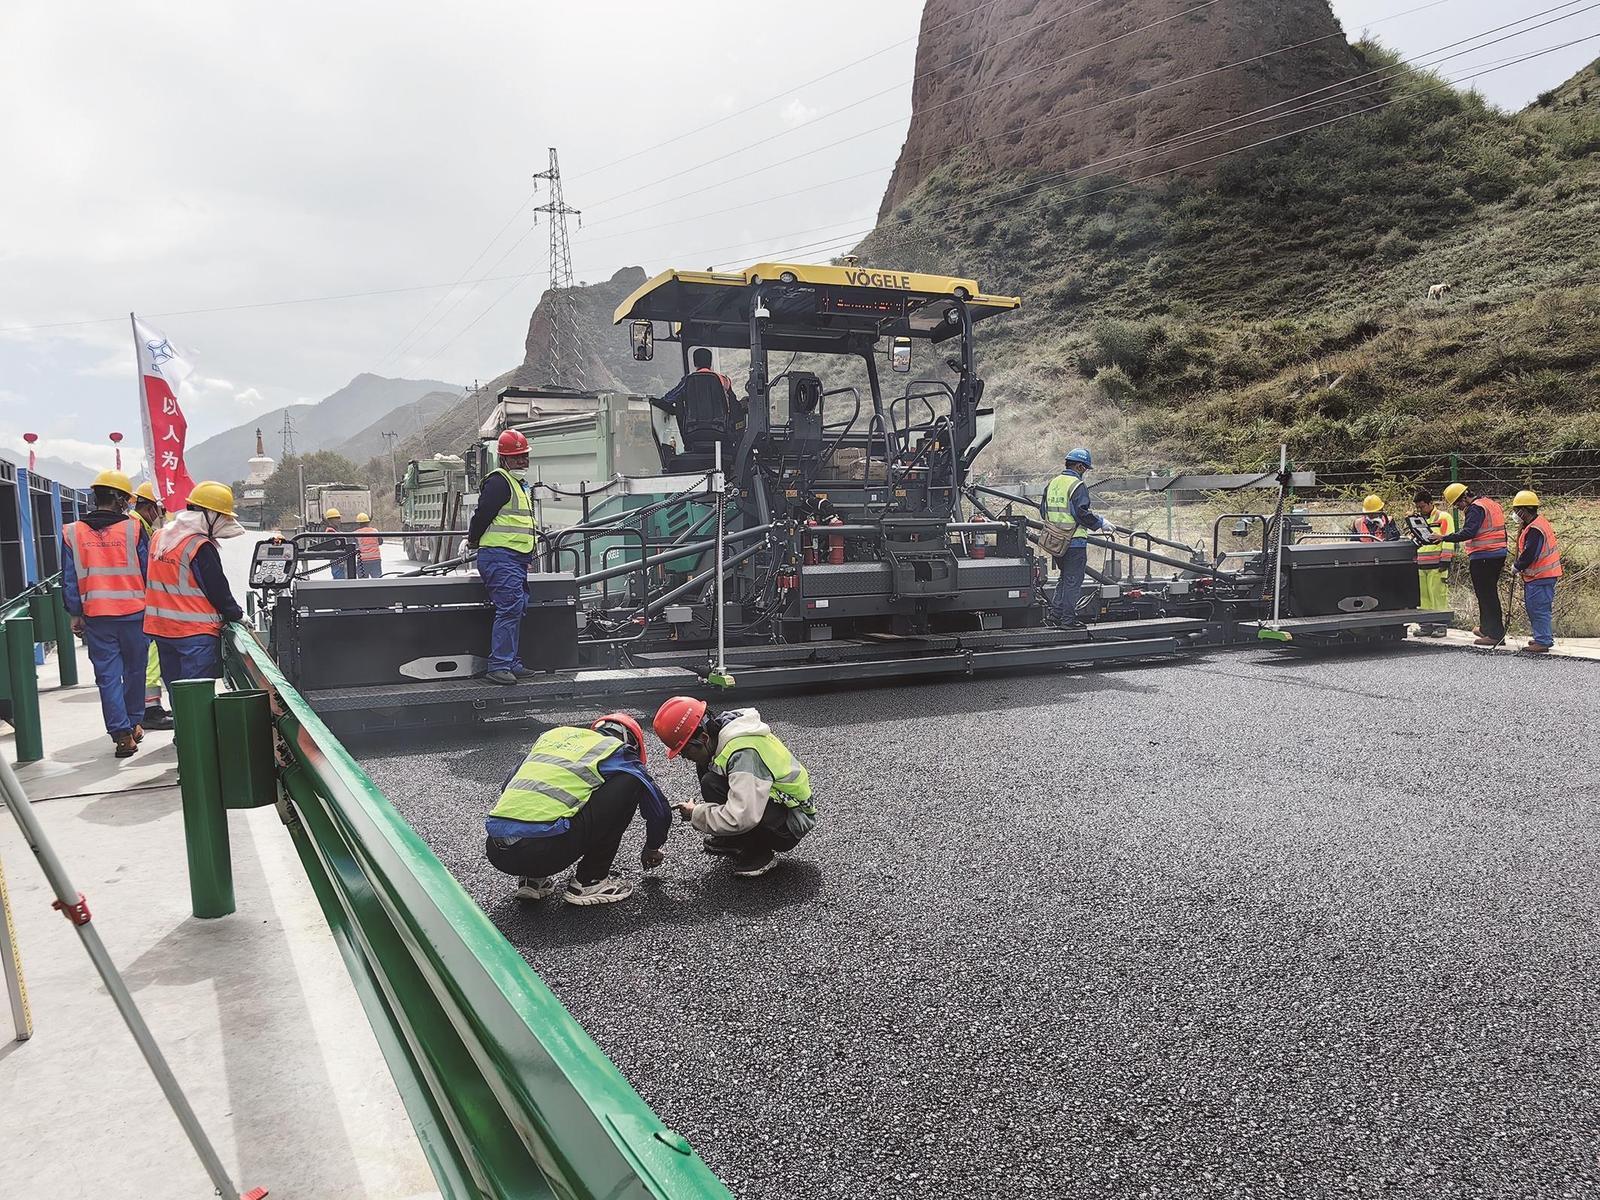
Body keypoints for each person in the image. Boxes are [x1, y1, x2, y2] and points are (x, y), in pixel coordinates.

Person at [484, 712, 670, 906]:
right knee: (631, 781)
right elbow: (659, 808)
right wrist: (652, 847)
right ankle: (590, 881)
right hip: (544, 853)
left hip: (498, 852)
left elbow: (508, 786)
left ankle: (532, 879)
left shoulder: (553, 738)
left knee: (550, 796)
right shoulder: (617, 750)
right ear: (633, 744)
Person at [652, 696, 817, 878]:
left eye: (684, 750)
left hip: (790, 824)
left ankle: (759, 853)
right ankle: (734, 839)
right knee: (707, 770)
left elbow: (742, 816)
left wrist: (696, 813)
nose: (683, 756)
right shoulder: (722, 734)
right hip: (776, 804)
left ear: (704, 737)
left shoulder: (744, 754)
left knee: (711, 781)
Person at [62, 470, 149, 758]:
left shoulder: (72, 532)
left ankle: (122, 735)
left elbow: (69, 578)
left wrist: (75, 613)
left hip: (97, 616)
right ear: (121, 500)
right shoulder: (133, 530)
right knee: (135, 671)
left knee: (107, 676)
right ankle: (133, 722)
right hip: (134, 614)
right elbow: (149, 571)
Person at [144, 481, 246, 686]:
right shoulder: (199, 545)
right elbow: (218, 589)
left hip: (162, 630)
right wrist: (237, 615)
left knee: (178, 692)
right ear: (210, 515)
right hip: (195, 634)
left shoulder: (160, 536)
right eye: (222, 516)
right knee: (196, 694)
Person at [466, 429, 536, 686]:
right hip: (499, 557)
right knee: (510, 607)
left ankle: (510, 661)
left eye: (525, 455)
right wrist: (473, 540)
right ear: (504, 459)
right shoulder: (499, 483)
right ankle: (499, 665)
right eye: (517, 457)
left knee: (517, 607)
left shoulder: (518, 485)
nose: (522, 460)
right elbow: (482, 516)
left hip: (514, 558)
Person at [1042, 447, 1115, 628]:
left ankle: (1055, 615)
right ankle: (1068, 620)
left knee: (1064, 578)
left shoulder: (1052, 483)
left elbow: (1043, 511)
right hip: (1074, 541)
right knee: (1073, 581)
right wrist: (1100, 523)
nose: (1085, 472)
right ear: (1080, 467)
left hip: (1055, 541)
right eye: (1086, 469)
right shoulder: (1077, 485)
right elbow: (1081, 513)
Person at [1434, 481, 1507, 647]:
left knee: (1487, 595)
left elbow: (1469, 532)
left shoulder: (1475, 508)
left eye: (1458, 503)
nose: (1459, 508)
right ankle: (1486, 628)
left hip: (1484, 556)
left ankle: (1495, 634)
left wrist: (1443, 537)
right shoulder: (1489, 503)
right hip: (1496, 554)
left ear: (1465, 497)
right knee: (1486, 594)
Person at [131, 481, 175, 729]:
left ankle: (145, 707)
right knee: (151, 656)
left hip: (128, 604)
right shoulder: (137, 528)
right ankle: (149, 709)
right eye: (160, 511)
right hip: (141, 604)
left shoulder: (137, 525)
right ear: (150, 508)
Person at [652, 348, 740, 454]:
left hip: (692, 433)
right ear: (710, 362)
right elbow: (735, 407)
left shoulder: (687, 381)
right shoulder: (724, 380)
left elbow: (668, 399)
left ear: (694, 363)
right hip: (721, 432)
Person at [1510, 490, 1561, 655]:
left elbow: (1530, 553)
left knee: (1538, 609)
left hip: (1541, 576)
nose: (1515, 514)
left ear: (1524, 510)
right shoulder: (1535, 524)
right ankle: (1541, 637)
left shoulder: (1535, 529)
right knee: (1536, 608)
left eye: (1517, 510)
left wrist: (1517, 566)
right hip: (1540, 576)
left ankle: (1543, 641)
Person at [1412, 488, 1454, 637]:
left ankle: (1440, 626)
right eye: (1418, 507)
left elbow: (1449, 539)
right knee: (1424, 597)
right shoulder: (1418, 520)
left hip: (1437, 564)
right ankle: (1425, 625)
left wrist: (1445, 560)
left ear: (1431, 503)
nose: (1420, 510)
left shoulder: (1443, 517)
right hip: (1421, 564)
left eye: (1422, 506)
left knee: (1438, 596)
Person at [320, 507, 352, 579]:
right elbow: (334, 546)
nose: (339, 520)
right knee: (340, 579)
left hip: (340, 559)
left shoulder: (335, 530)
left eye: (339, 518)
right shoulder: (330, 531)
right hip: (337, 560)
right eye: (336, 518)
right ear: (330, 520)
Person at [352, 512, 383, 579]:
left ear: (359, 523)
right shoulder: (375, 531)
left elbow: (354, 546)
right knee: (377, 580)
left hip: (363, 560)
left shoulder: (356, 533)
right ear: (368, 522)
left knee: (363, 582)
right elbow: (380, 542)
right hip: (375, 559)